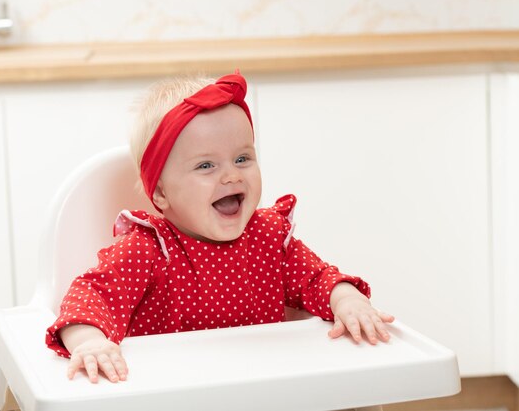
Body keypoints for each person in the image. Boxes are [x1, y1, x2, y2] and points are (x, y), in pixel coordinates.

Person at [45, 71, 394, 384]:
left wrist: (346, 300)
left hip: (263, 386)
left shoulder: (269, 238)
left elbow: (317, 278)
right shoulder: (149, 249)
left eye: (243, 158)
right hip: (173, 393)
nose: (231, 175)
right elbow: (90, 298)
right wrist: (90, 342)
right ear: (162, 193)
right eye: (206, 165)